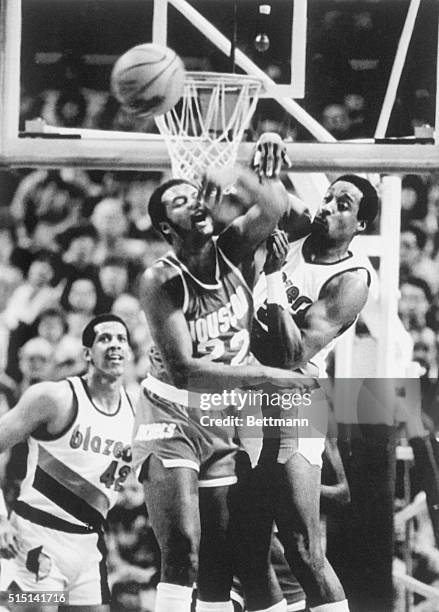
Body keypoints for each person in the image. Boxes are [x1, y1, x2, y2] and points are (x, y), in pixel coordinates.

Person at [132, 162, 307, 612]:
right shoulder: (160, 280)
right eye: (179, 201)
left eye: (195, 194)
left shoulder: (231, 247)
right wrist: (267, 376)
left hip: (224, 414)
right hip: (172, 413)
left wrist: (235, 164)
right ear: (166, 227)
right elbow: (184, 370)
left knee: (220, 557)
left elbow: (274, 203)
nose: (193, 201)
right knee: (183, 549)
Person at [249, 166, 379, 612]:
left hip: (295, 396)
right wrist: (267, 152)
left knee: (303, 551)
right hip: (242, 390)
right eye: (329, 197)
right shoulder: (299, 226)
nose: (329, 208)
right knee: (245, 550)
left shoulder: (352, 280)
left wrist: (273, 278)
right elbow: (266, 194)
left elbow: (291, 355)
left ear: (360, 225)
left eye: (343, 205)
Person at [0, 313, 135, 611]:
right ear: (86, 353)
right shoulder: (55, 397)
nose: (114, 345)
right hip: (37, 535)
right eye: (104, 338)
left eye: (121, 339)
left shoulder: (138, 412)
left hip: (88, 543)